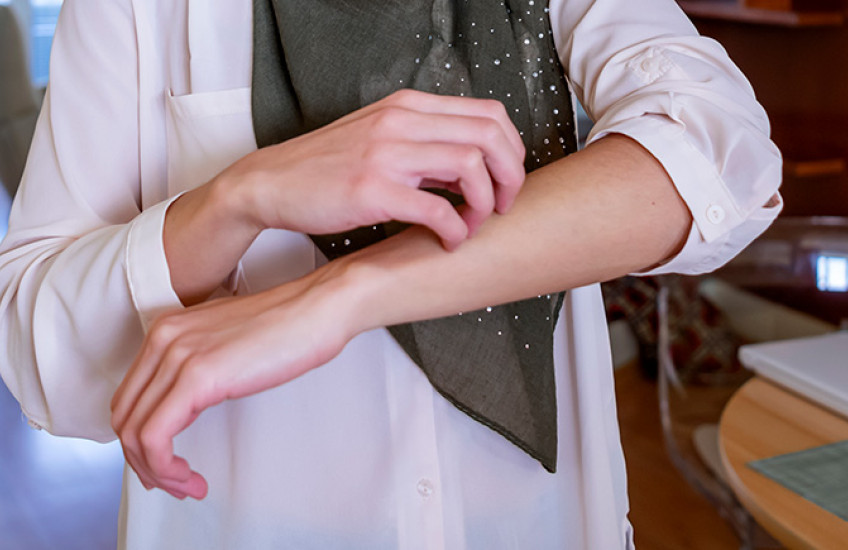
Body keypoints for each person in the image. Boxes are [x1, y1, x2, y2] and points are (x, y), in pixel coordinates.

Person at [0, 0, 781, 548]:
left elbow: (721, 154)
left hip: (539, 528)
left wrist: (340, 295)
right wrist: (241, 196)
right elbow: (42, 361)